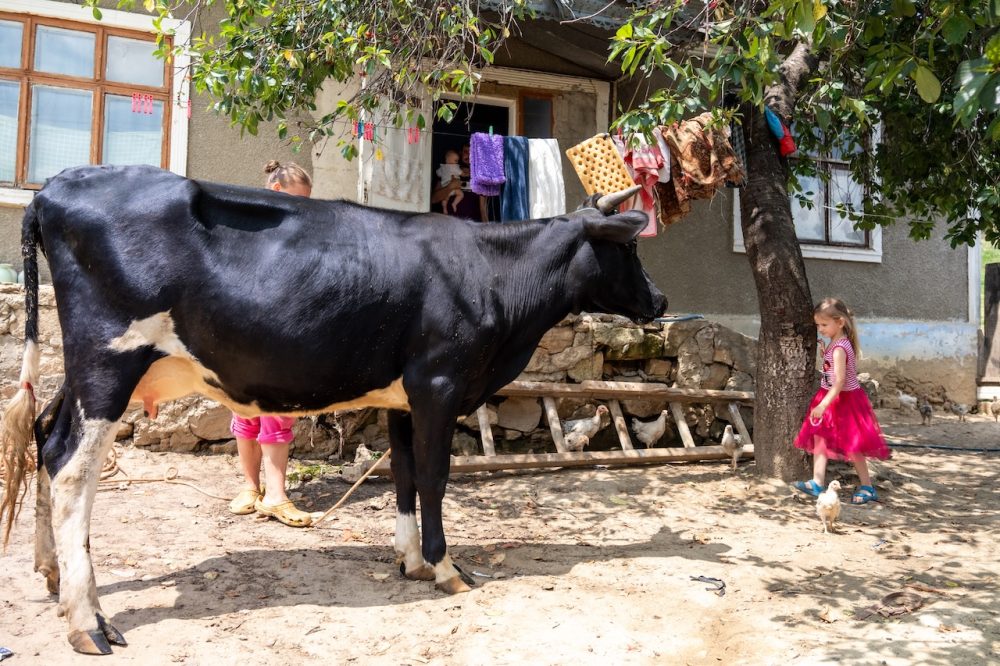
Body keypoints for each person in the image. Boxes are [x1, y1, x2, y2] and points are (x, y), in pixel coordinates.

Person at [228, 160, 315, 527]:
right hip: (250, 332)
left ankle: (271, 494)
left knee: (273, 412)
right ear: (277, 191)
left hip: (274, 334)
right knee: (247, 412)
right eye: (299, 200)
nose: (303, 209)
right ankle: (254, 488)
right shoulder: (250, 227)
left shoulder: (292, 234)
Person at [793, 298, 890, 505]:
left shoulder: (839, 348)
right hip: (831, 397)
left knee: (853, 444)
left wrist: (823, 405)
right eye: (818, 325)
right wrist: (825, 353)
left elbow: (839, 381)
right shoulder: (836, 343)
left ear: (840, 322)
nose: (820, 329)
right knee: (820, 436)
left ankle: (867, 487)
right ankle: (817, 482)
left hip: (843, 400)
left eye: (824, 324)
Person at [430, 143, 488, 222]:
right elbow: (433, 200)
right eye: (466, 152)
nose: (469, 155)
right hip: (447, 224)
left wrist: (486, 227)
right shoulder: (447, 170)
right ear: (460, 154)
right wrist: (450, 187)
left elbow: (483, 209)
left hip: (471, 226)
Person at [435, 149, 465, 213]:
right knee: (461, 194)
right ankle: (454, 203)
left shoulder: (442, 167)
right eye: (456, 160)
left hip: (445, 186)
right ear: (447, 160)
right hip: (454, 187)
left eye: (457, 161)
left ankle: (444, 208)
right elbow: (462, 174)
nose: (457, 162)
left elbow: (438, 173)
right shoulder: (455, 167)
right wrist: (465, 173)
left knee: (445, 199)